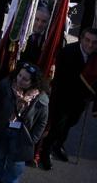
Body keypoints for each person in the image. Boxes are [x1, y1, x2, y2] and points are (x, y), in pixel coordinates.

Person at [0, 63, 50, 183]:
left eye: (25, 79)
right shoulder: (5, 86)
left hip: (22, 135)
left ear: (33, 82)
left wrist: (32, 139)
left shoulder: (41, 98)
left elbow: (42, 122)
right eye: (19, 75)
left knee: (16, 163)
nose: (20, 80)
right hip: (3, 128)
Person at [38, 27, 97, 169]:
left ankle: (58, 145)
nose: (90, 45)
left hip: (81, 100)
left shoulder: (96, 57)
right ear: (81, 39)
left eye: (94, 43)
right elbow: (60, 79)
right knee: (57, 127)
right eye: (87, 40)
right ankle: (45, 151)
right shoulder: (68, 52)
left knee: (71, 124)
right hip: (64, 98)